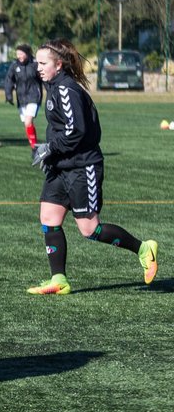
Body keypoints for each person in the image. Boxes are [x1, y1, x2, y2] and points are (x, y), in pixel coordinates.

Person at [28, 39, 158, 294]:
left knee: (89, 229)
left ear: (59, 64)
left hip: (82, 166)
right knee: (49, 218)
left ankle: (144, 248)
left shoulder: (67, 90)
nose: (38, 68)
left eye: (43, 63)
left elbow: (77, 131)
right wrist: (50, 157)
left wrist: (50, 149)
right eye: (37, 63)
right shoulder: (53, 87)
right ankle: (58, 280)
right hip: (62, 166)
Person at [5, 44, 44, 147]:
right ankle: (34, 145)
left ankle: (33, 148)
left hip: (34, 96)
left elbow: (44, 78)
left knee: (28, 121)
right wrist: (8, 95)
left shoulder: (35, 64)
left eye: (21, 53)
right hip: (21, 99)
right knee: (27, 124)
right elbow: (9, 80)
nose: (19, 56)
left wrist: (51, 92)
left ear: (27, 53)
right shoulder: (14, 65)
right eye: (18, 54)